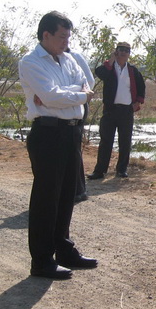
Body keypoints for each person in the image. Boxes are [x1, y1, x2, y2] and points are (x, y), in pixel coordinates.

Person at [18, 11, 98, 279]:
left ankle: (64, 250)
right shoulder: (31, 62)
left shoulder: (69, 59)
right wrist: (75, 95)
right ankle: (41, 260)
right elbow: (51, 96)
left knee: (66, 195)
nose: (67, 42)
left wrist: (68, 95)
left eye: (68, 37)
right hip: (48, 134)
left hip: (71, 132)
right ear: (46, 35)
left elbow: (86, 84)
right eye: (62, 37)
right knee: (46, 199)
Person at [87, 42, 145, 180]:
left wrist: (137, 103)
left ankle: (121, 170)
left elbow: (141, 87)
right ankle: (100, 171)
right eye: (121, 50)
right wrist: (111, 60)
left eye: (126, 50)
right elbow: (100, 73)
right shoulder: (109, 68)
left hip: (126, 110)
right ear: (116, 51)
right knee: (106, 141)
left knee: (125, 141)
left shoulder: (132, 70)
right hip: (110, 110)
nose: (123, 52)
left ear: (129, 54)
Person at [66, 49, 95, 203]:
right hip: (60, 110)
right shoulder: (48, 61)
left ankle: (78, 189)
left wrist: (68, 95)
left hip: (77, 108)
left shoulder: (75, 57)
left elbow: (89, 83)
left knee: (73, 147)